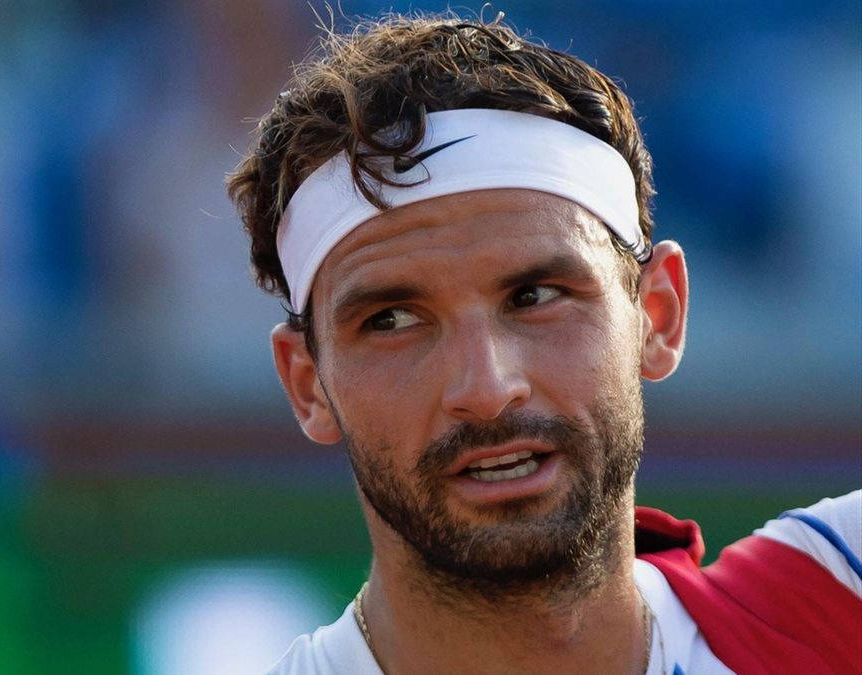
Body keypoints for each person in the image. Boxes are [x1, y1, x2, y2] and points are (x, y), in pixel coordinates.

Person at [225, 14, 861, 675]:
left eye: (534, 296)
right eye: (391, 319)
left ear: (658, 313)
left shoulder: (839, 597)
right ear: (306, 382)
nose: (487, 389)